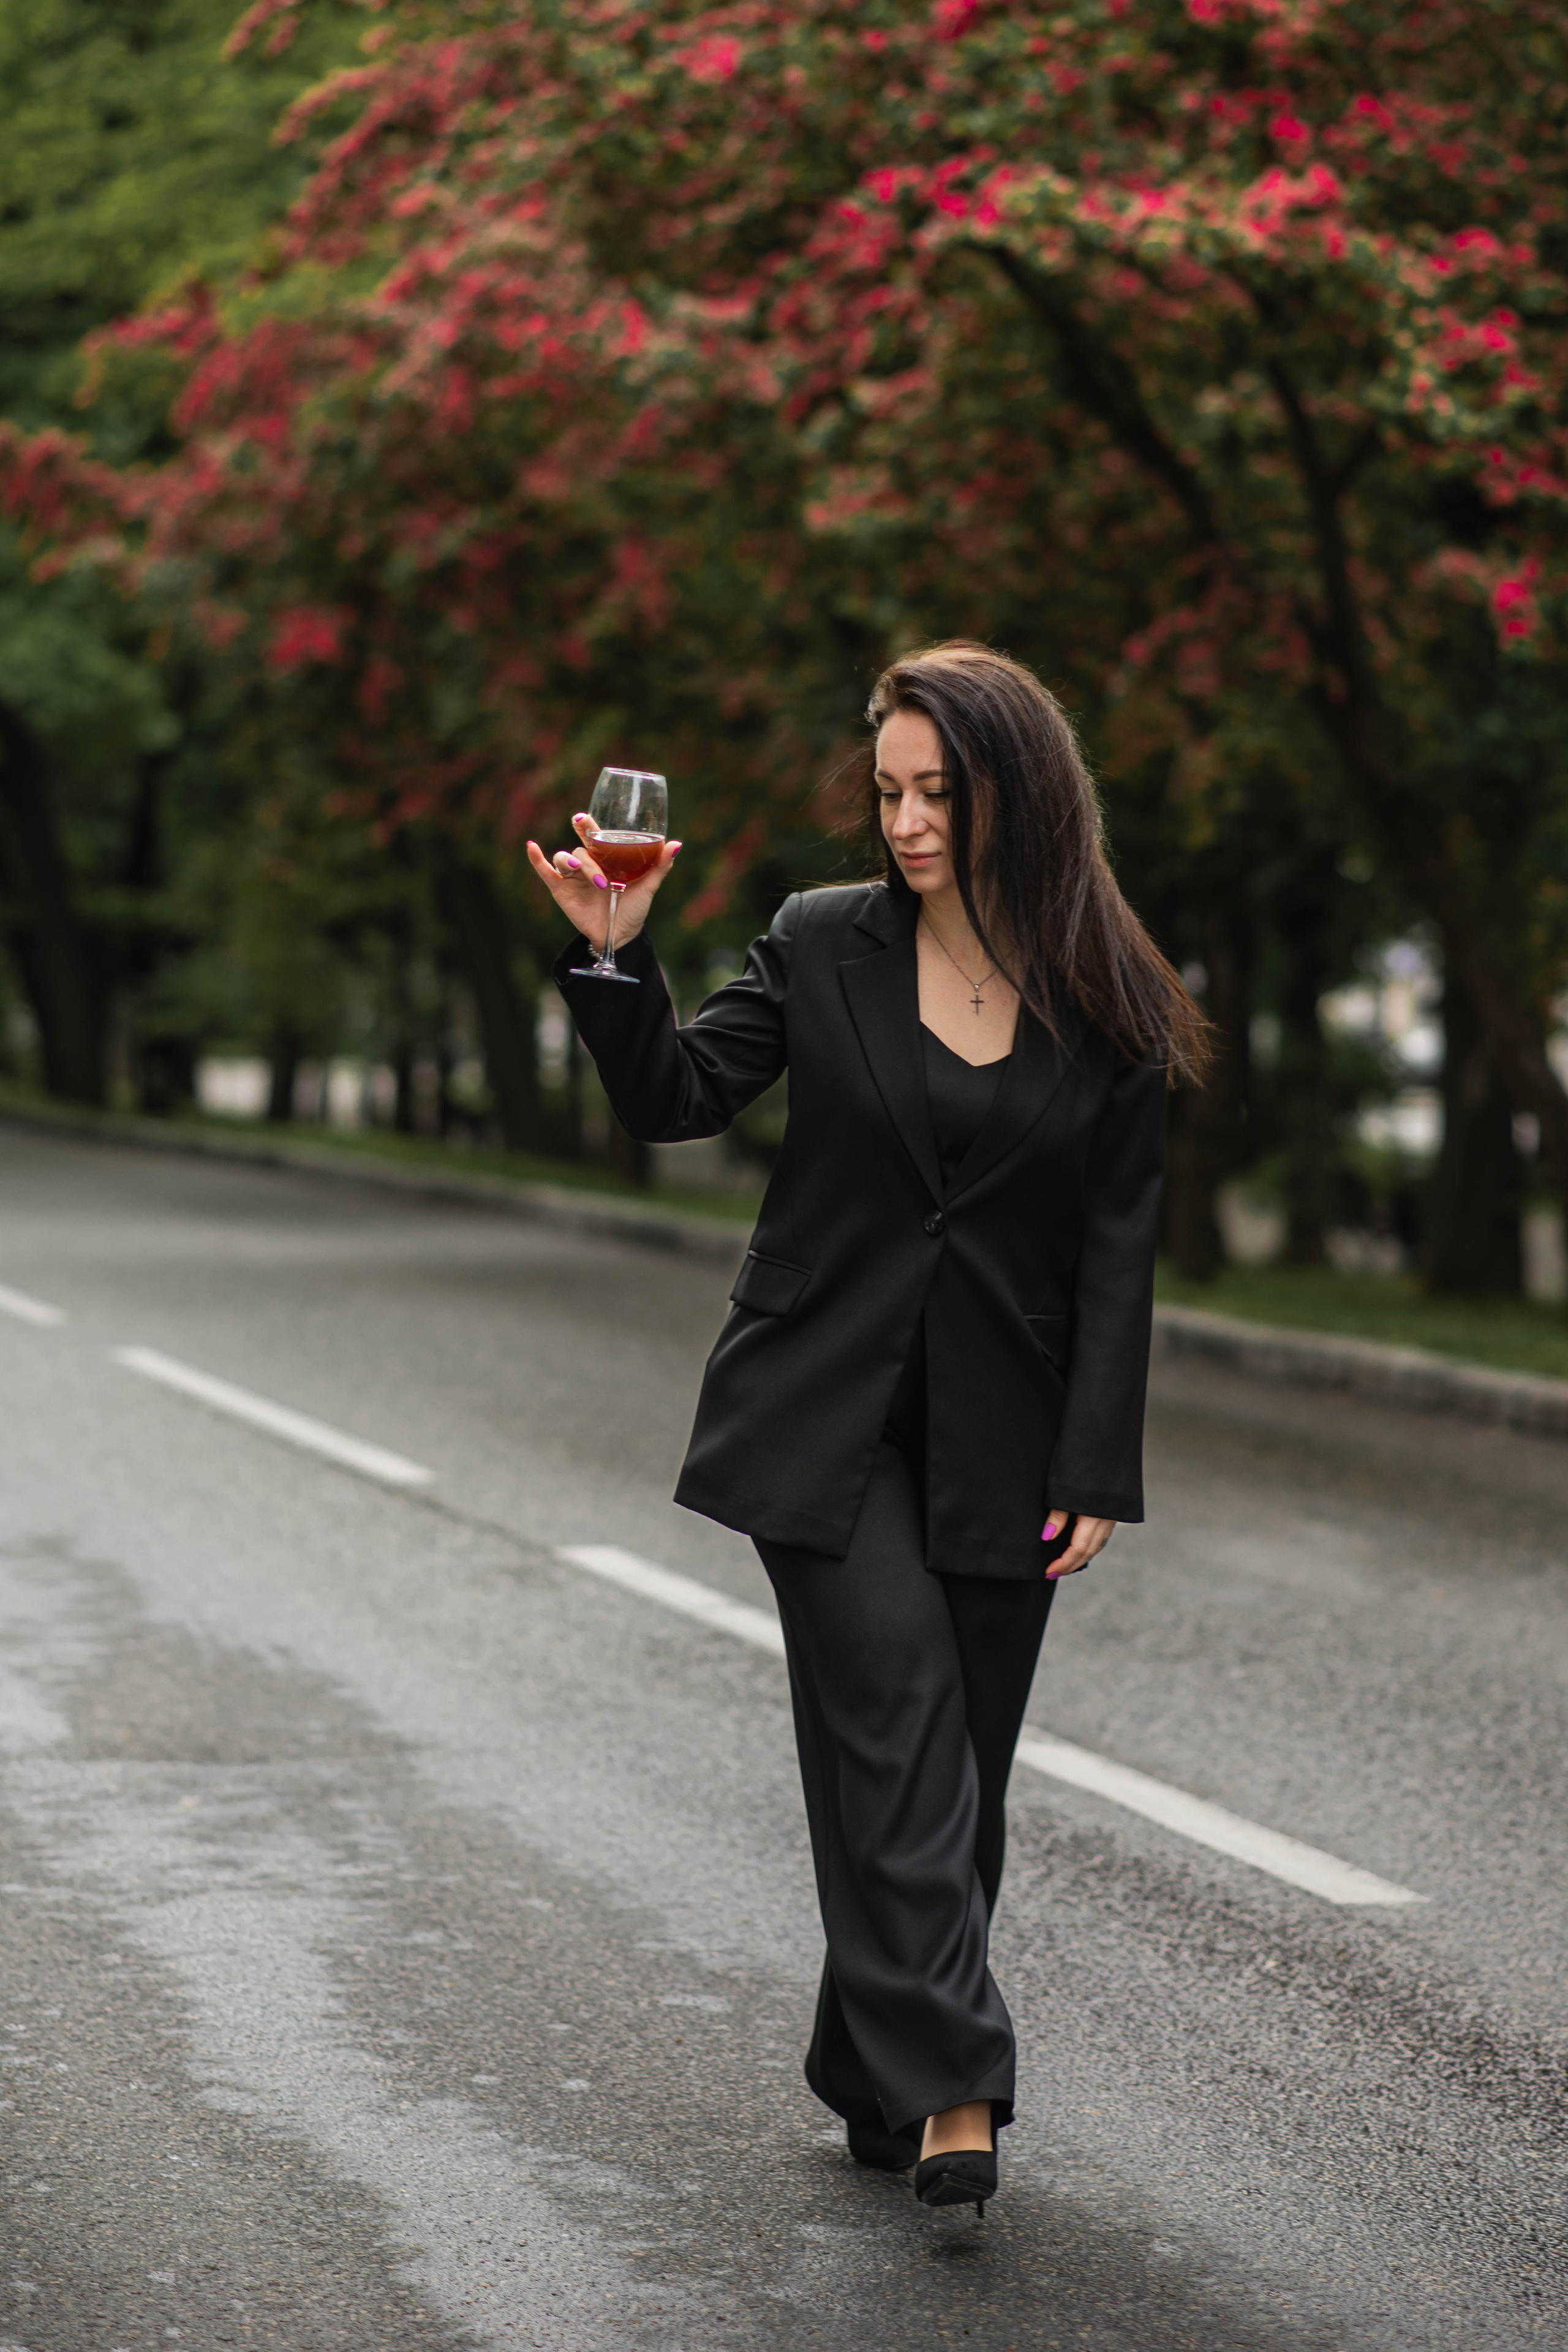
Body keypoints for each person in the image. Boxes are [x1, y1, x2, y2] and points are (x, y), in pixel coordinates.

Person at [527, 642, 1207, 2218]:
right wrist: (618, 959)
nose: (902, 823)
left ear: (1015, 799)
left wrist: (1097, 1460)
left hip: (1006, 1439)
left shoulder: (1108, 994)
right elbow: (680, 1097)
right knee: (897, 1711)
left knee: (952, 1769)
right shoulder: (820, 942)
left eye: (935, 794)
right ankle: (957, 2084)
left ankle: (869, 2072)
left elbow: (1117, 1247)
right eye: (889, 792)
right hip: (816, 1419)